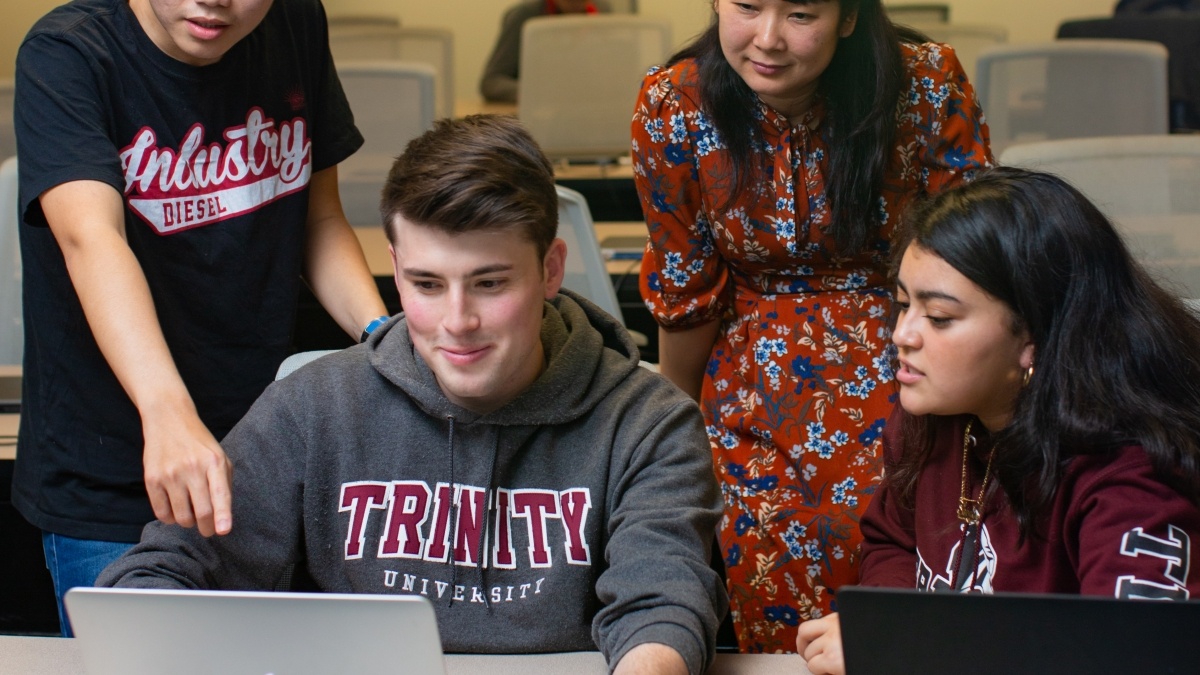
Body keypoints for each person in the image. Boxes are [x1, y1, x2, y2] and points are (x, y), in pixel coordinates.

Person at [97, 115, 726, 675]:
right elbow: (162, 575)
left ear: (550, 269)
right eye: (426, 284)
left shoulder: (649, 423)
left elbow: (662, 606)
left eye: (489, 283)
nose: (457, 321)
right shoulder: (312, 406)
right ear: (395, 271)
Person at [12, 0, 389, 634]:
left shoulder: (294, 22)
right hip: (118, 470)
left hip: (267, 462)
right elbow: (92, 241)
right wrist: (167, 413)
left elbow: (319, 219)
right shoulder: (69, 52)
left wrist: (386, 340)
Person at [630, 0, 992, 651]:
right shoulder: (674, 103)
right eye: (746, 6)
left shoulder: (926, 84)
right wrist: (675, 435)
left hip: (910, 349)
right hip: (750, 376)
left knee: (908, 538)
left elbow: (974, 262)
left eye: (800, 13)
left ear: (848, 17)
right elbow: (686, 294)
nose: (768, 38)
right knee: (764, 549)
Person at [795, 167, 1200, 674]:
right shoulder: (933, 419)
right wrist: (886, 629)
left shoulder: (1131, 477)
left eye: (939, 318)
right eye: (902, 304)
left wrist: (910, 647)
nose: (902, 335)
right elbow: (893, 541)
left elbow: (1136, 655)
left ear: (1033, 337)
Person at [479, 0, 611, 103]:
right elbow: (492, 82)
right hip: (541, 116)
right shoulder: (526, 14)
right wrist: (540, 94)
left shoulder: (602, 12)